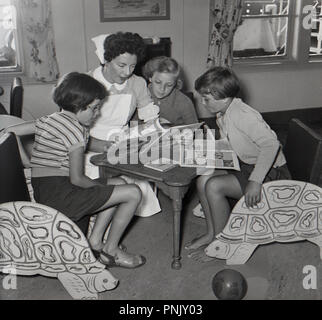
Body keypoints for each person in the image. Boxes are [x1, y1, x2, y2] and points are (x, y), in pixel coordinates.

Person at [5, 72, 146, 269]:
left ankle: (95, 242)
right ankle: (110, 250)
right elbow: (78, 179)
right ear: (79, 106)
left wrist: (28, 163)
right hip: (62, 196)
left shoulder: (50, 119)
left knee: (120, 184)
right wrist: (99, 187)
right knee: (133, 192)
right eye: (95, 108)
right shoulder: (76, 131)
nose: (97, 113)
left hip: (46, 190)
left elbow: (9, 131)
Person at [185, 66, 291, 261]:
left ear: (223, 97)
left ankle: (224, 245)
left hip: (270, 173)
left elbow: (271, 145)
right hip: (248, 165)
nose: (202, 102)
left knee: (214, 186)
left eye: (206, 98)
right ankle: (212, 234)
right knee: (203, 180)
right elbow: (233, 144)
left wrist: (256, 181)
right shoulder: (224, 113)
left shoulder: (242, 115)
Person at [85, 32, 161, 217]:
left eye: (132, 66)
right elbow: (70, 130)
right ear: (106, 60)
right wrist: (103, 146)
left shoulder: (137, 83)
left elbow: (149, 119)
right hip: (86, 145)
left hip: (121, 144)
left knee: (138, 194)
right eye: (121, 65)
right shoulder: (85, 82)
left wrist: (152, 133)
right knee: (96, 196)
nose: (127, 72)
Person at [142, 56, 198, 126]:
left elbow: (196, 130)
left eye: (169, 85)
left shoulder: (184, 102)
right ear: (150, 78)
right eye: (158, 82)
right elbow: (132, 125)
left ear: (175, 83)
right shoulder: (140, 95)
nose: (162, 89)